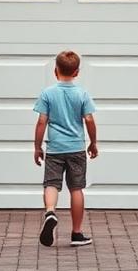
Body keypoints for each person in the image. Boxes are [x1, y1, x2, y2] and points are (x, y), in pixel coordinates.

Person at [33, 50, 98, 247]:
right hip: (76, 148)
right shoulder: (82, 94)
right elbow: (89, 119)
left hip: (54, 149)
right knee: (76, 189)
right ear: (77, 72)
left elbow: (41, 122)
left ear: (55, 71)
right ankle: (76, 233)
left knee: (51, 184)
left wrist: (37, 147)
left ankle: (50, 211)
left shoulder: (47, 94)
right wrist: (93, 142)